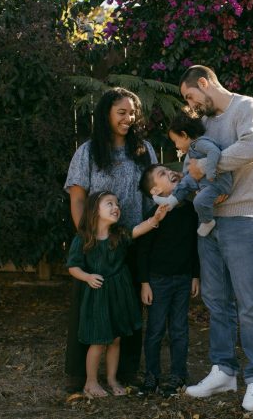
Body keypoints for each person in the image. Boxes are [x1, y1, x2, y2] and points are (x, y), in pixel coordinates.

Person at [179, 65, 253, 412]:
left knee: (250, 303)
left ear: (204, 84)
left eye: (190, 95)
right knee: (216, 302)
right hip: (210, 223)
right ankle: (223, 371)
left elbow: (252, 148)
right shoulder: (204, 124)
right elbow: (192, 158)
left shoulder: (247, 108)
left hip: (244, 219)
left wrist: (207, 168)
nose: (190, 104)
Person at [64, 87, 158, 391]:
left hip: (133, 240)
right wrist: (89, 238)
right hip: (97, 245)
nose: (128, 118)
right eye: (121, 112)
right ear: (106, 114)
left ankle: (124, 374)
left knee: (126, 311)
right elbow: (78, 198)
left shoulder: (143, 150)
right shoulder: (88, 152)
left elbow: (153, 194)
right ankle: (81, 376)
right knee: (90, 309)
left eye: (132, 113)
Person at [66, 191, 167, 398]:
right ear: (95, 210)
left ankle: (112, 379)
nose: (116, 207)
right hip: (98, 295)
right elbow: (73, 266)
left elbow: (139, 229)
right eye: (109, 203)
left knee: (115, 339)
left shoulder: (119, 235)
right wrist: (86, 277)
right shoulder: (83, 238)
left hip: (119, 294)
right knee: (98, 340)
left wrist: (155, 219)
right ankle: (90, 382)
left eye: (117, 203)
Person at [136, 164, 201, 398]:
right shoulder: (153, 216)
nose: (170, 173)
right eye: (162, 174)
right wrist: (144, 282)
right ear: (155, 190)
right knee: (154, 330)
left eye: (168, 170)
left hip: (183, 279)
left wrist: (195, 275)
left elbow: (195, 246)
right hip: (158, 282)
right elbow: (142, 251)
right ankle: (152, 375)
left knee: (179, 329)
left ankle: (178, 375)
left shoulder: (190, 210)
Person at [152, 112, 233, 237]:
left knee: (198, 201)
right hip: (205, 181)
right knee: (184, 183)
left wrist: (210, 171)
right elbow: (189, 171)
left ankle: (207, 221)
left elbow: (214, 151)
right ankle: (171, 201)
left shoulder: (200, 143)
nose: (176, 146)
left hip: (216, 182)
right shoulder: (192, 149)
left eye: (175, 141)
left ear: (184, 135)